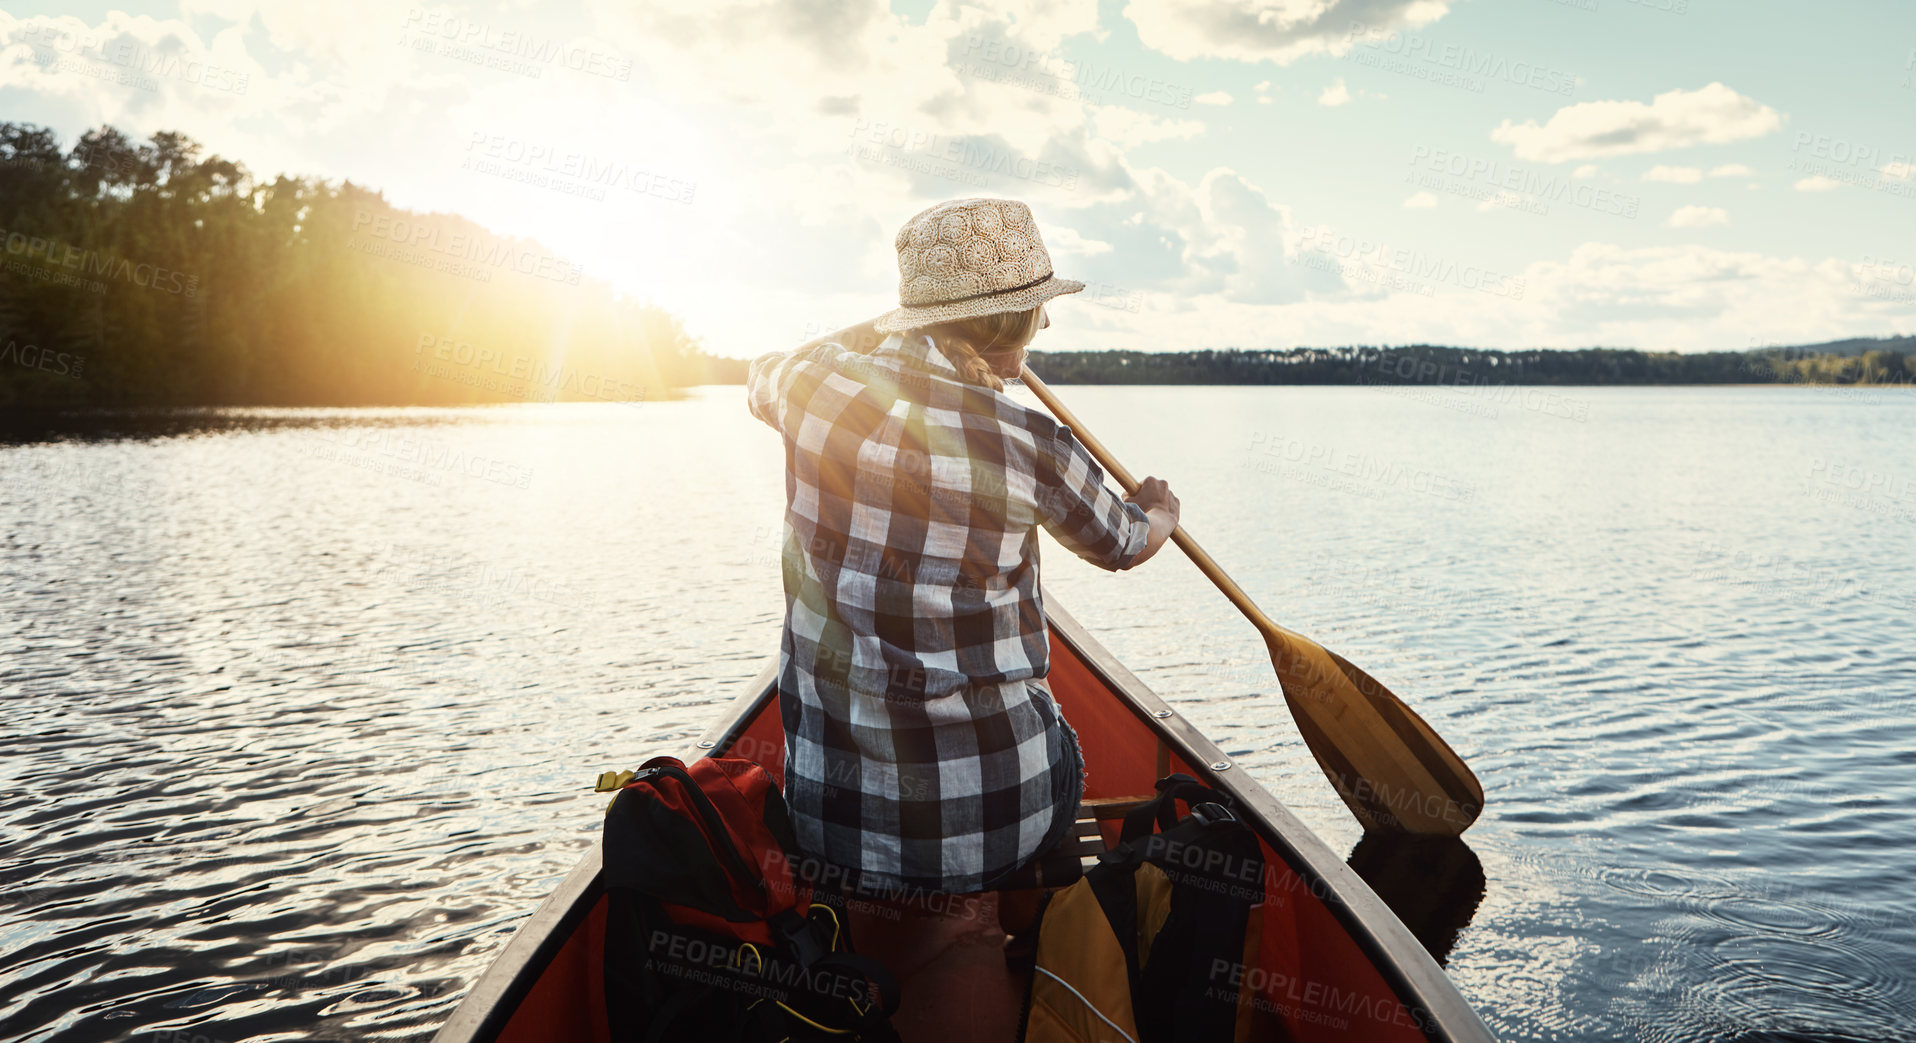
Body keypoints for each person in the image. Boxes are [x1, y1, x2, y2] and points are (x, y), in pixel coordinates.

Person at [744, 197, 1179, 946]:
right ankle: (1021, 945)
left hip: (834, 809)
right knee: (1051, 762)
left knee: (902, 876)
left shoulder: (813, 390)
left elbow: (764, 374)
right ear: (1006, 324)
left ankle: (924, 939)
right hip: (996, 801)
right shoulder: (1033, 441)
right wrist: (1157, 510)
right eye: (1035, 311)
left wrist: (902, 323)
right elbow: (1122, 542)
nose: (1045, 325)